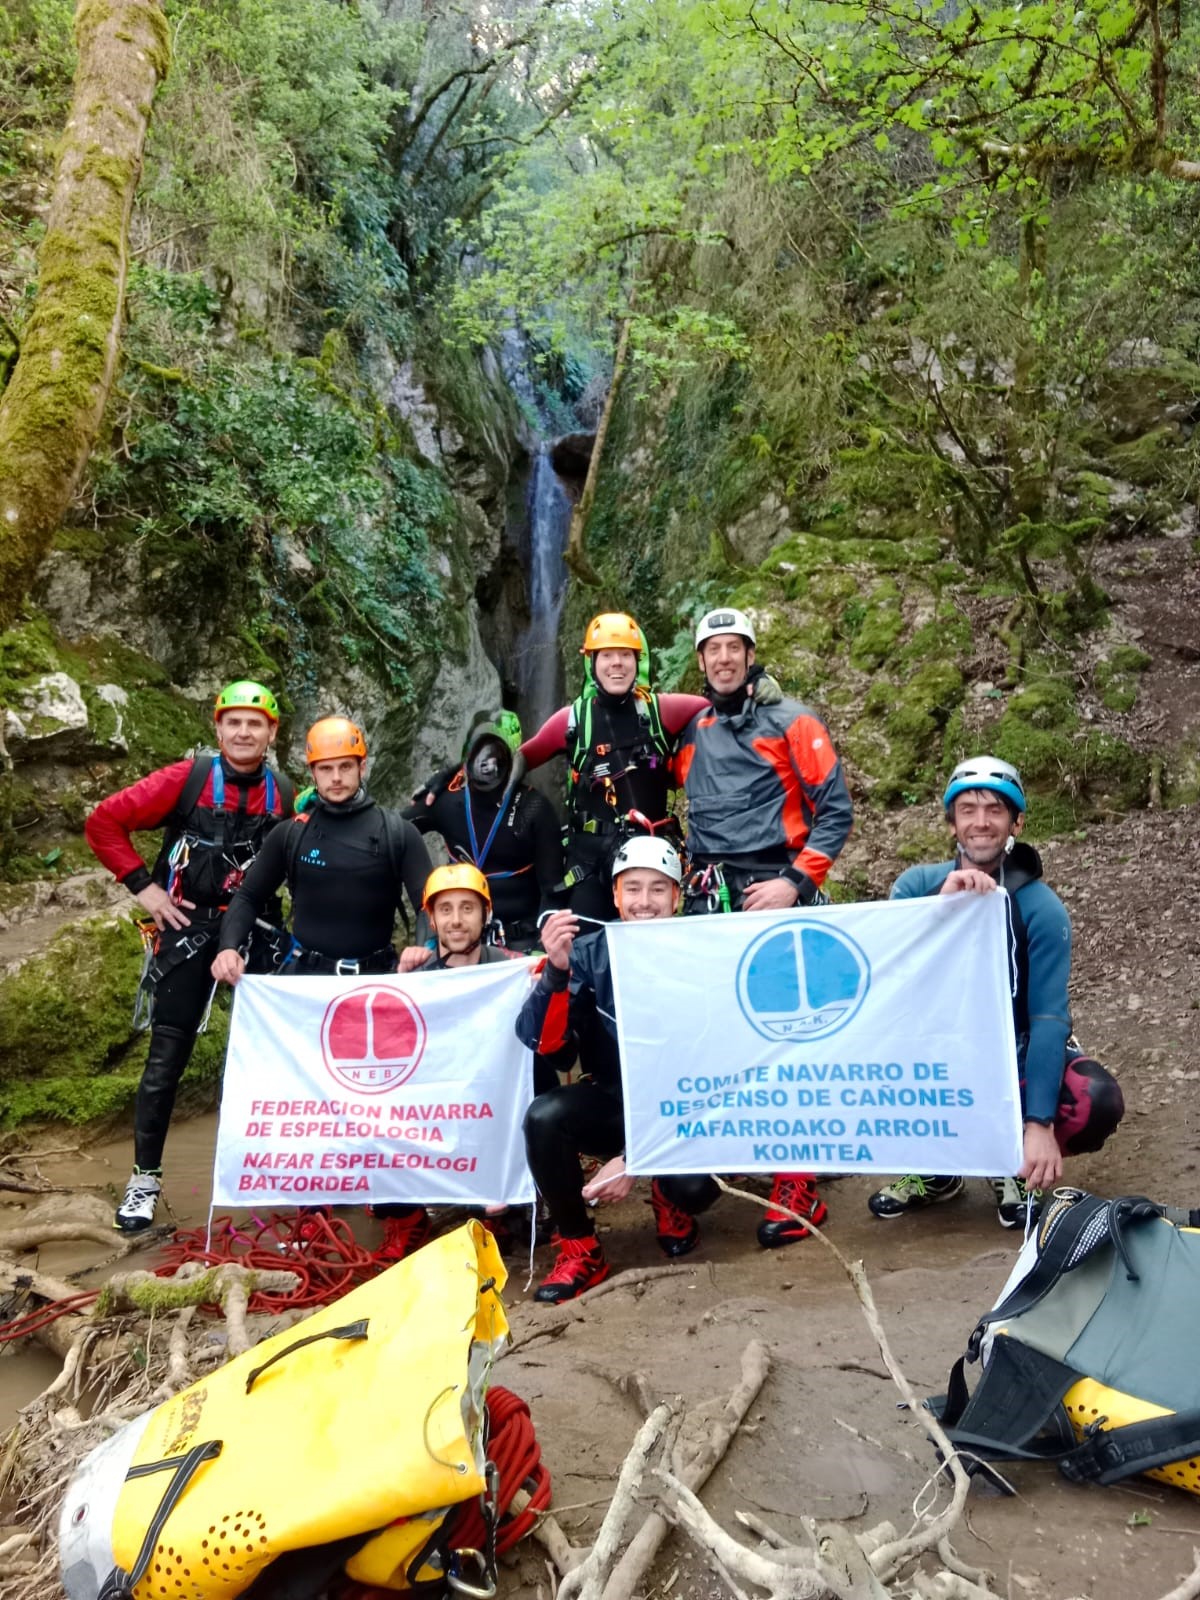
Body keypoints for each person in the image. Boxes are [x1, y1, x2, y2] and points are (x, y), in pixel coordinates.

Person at [866, 755, 1121, 1229]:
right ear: (951, 823)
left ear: (1016, 822)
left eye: (994, 810)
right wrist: (938, 912)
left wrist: (1040, 1123)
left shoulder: (1042, 909)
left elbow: (1048, 1017)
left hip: (1013, 1052)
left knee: (1095, 1099)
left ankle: (1015, 1163)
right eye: (967, 809)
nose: (980, 822)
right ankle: (936, 1171)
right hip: (933, 1051)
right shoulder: (915, 887)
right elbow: (887, 976)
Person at [84, 680, 293, 1231]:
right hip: (188, 926)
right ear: (218, 727)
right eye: (235, 721)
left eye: (256, 723)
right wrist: (144, 889)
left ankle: (287, 1175)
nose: (244, 731)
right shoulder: (189, 780)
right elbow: (104, 822)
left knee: (280, 1056)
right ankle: (144, 1180)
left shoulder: (287, 793)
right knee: (166, 1059)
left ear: (272, 733)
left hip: (257, 927)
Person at [676, 606, 854, 1247]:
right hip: (709, 897)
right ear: (700, 661)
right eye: (712, 649)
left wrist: (795, 883)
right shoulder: (692, 731)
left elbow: (835, 811)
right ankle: (716, 1155)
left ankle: (797, 1177)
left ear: (750, 655)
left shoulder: (794, 720)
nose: (723, 658)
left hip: (775, 889)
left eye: (734, 648)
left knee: (788, 1034)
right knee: (718, 1028)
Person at [515, 837, 721, 1302]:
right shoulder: (588, 952)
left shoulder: (705, 952)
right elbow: (543, 1043)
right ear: (614, 895)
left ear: (677, 896)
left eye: (657, 890)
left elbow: (720, 1067)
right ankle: (580, 1247)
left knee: (694, 1187)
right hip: (615, 1099)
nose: (644, 902)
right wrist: (556, 972)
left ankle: (670, 1194)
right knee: (544, 1117)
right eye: (632, 889)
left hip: (692, 1106)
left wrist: (638, 1157)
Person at [515, 614, 713, 922]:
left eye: (625, 655)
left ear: (637, 662)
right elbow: (515, 761)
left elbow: (719, 705)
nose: (616, 663)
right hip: (590, 866)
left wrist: (757, 684)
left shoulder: (661, 711)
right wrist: (451, 781)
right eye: (606, 655)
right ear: (592, 663)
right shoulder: (571, 721)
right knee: (584, 951)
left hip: (651, 865)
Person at [212, 716, 431, 984]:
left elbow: (428, 905)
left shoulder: (398, 833)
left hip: (376, 981)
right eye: (326, 769)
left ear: (362, 767)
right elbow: (248, 896)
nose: (336, 777)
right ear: (313, 772)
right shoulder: (291, 834)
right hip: (306, 982)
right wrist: (228, 948)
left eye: (345, 767)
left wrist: (424, 949)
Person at [380, 862, 526, 1261]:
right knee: (375, 1112)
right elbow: (395, 1056)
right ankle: (407, 1218)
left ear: (485, 914)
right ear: (431, 918)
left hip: (496, 1103)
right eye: (446, 910)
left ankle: (511, 1202)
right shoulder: (417, 974)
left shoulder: (514, 968)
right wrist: (401, 981)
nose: (457, 920)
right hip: (443, 1100)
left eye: (467, 908)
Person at [404, 711, 562, 952]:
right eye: (481, 753)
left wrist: (542, 950)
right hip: (458, 942)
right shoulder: (445, 801)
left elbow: (553, 890)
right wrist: (421, 896)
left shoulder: (533, 808)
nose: (488, 764)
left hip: (521, 943)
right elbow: (391, 835)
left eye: (496, 755)